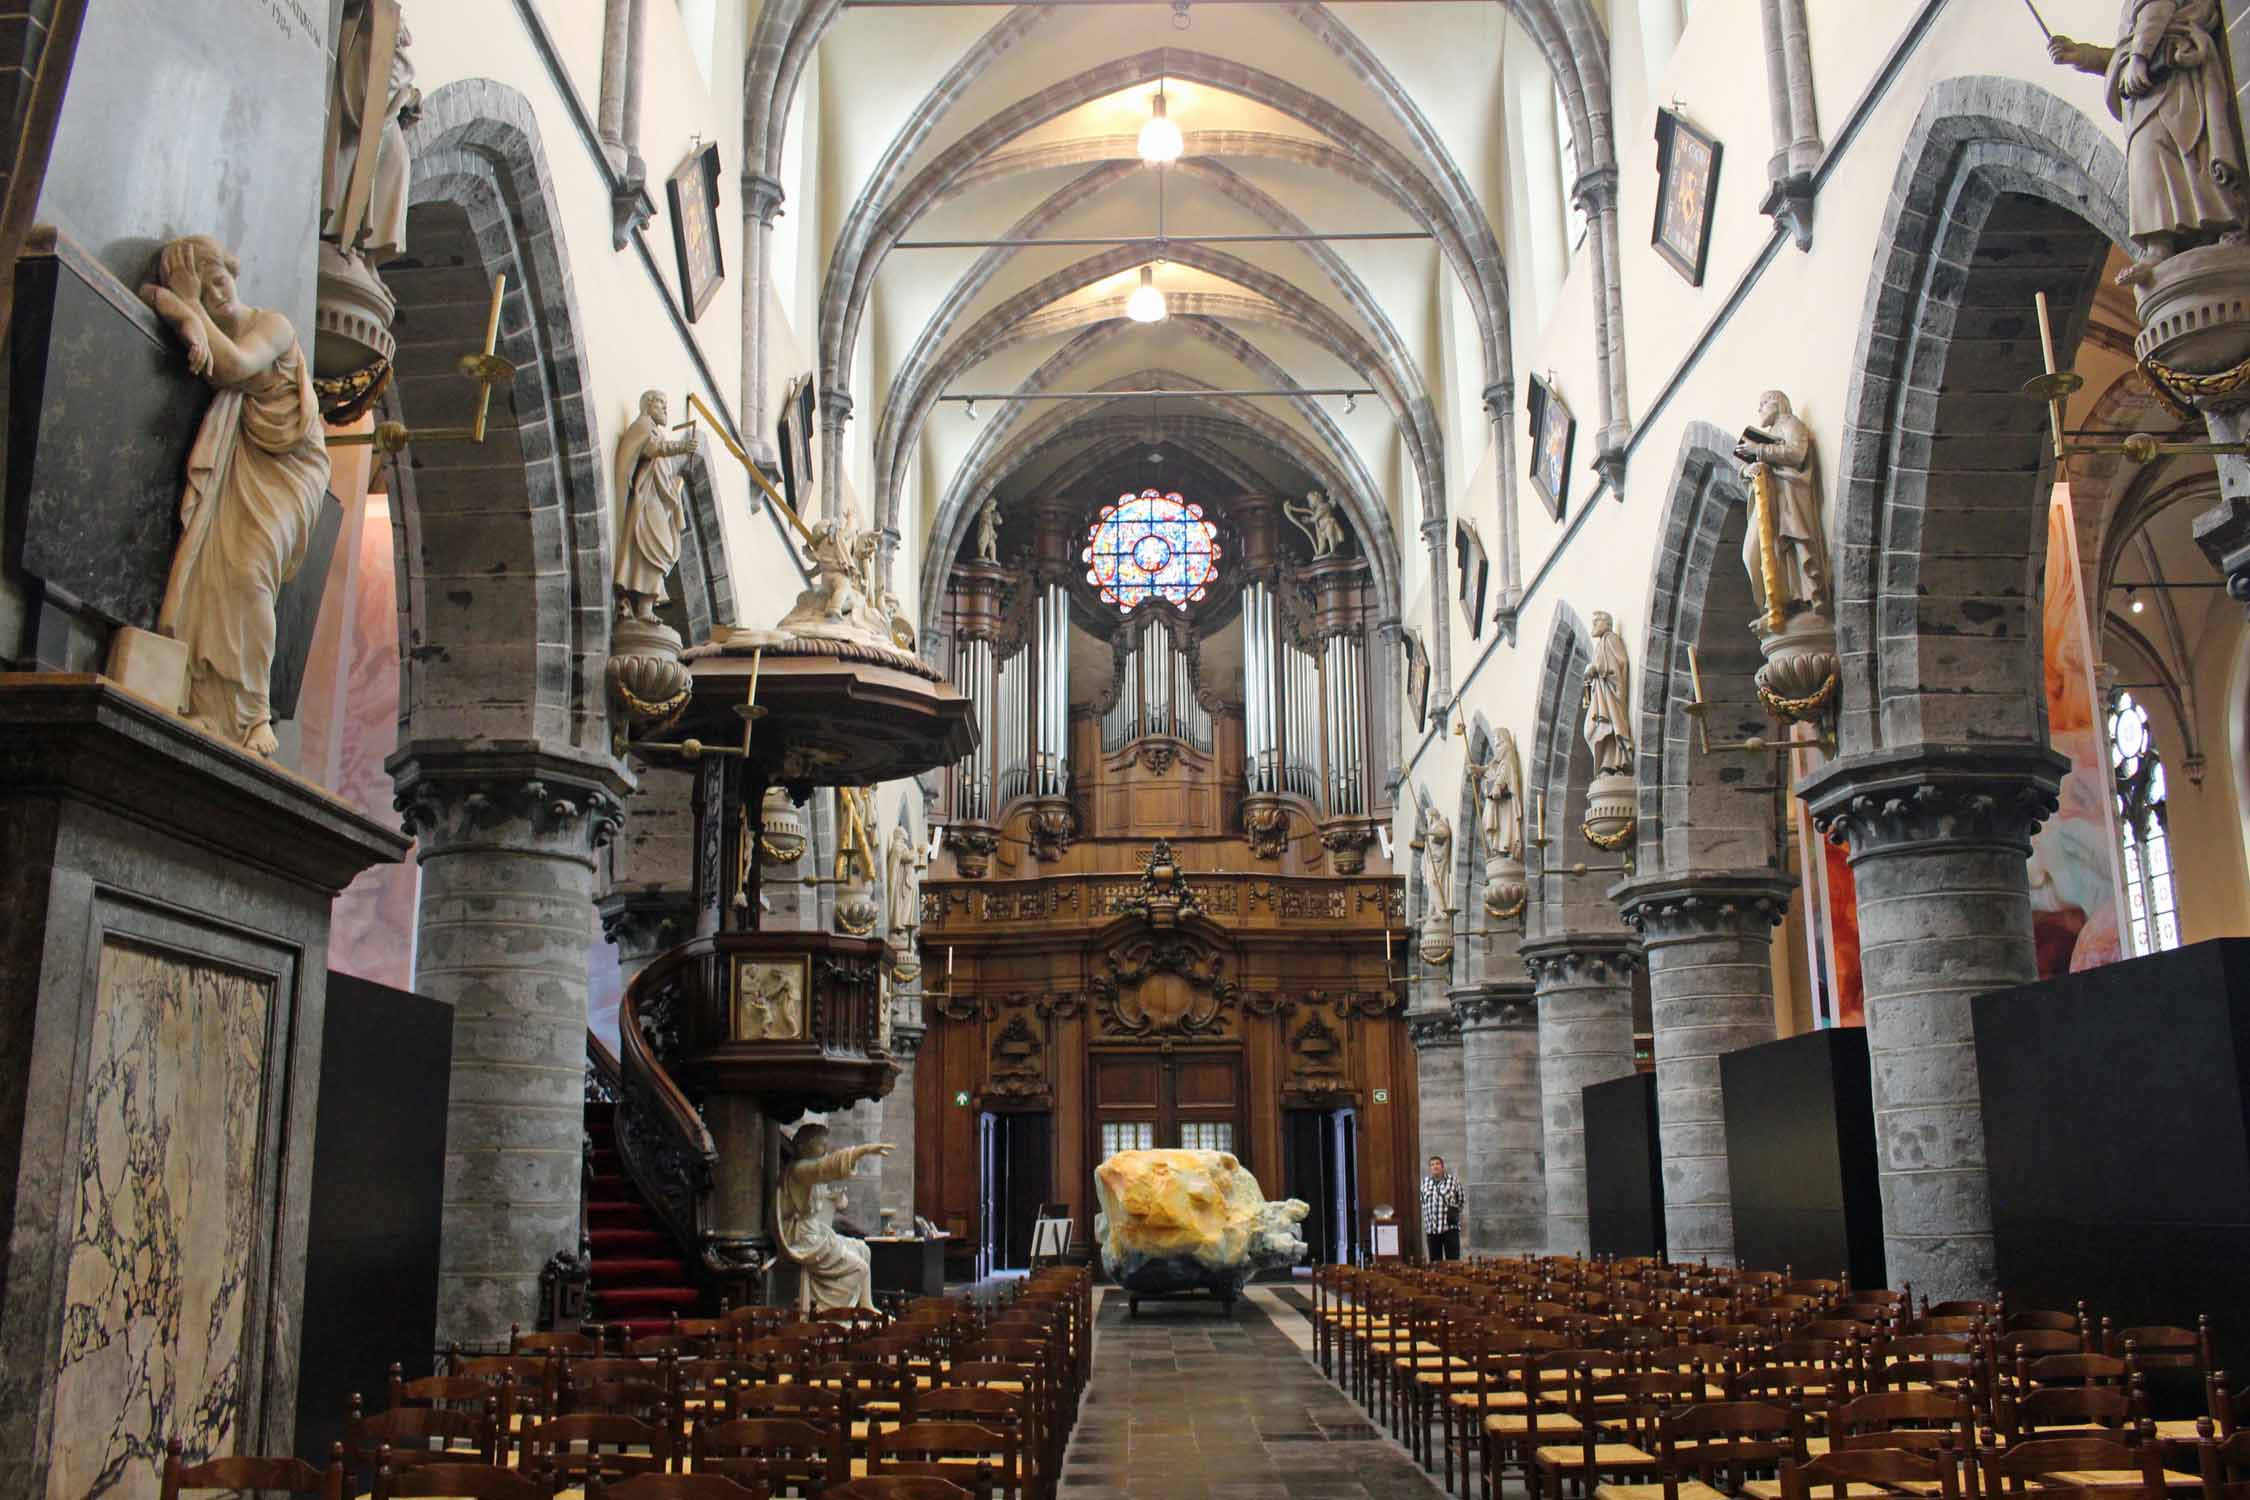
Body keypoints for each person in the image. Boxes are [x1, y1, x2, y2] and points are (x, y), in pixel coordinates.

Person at [142, 235, 330, 756]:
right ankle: (210, 702)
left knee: (250, 573)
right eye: (206, 287)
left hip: (291, 467)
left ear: (234, 276)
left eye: (221, 281)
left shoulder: (272, 325)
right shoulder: (205, 318)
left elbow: (230, 367)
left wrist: (190, 304)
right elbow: (147, 293)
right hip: (245, 452)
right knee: (214, 572)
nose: (218, 296)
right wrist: (181, 309)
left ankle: (253, 715)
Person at [777, 1125, 893, 1310]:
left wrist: (832, 1199)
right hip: (804, 1238)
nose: (825, 1149)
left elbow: (815, 1193)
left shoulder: (806, 1170)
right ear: (804, 1146)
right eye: (821, 1145)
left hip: (816, 1231)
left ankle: (866, 1305)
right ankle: (828, 1313)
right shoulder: (800, 1169)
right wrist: (862, 1151)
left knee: (863, 1249)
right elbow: (825, 1168)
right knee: (859, 1268)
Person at [1420, 1155, 1463, 1262]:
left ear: (1442, 1167)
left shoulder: (1453, 1181)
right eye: (1432, 1164)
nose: (1435, 1166)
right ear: (1430, 1168)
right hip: (1432, 1230)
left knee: (1453, 1262)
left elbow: (1461, 1200)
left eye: (1437, 1164)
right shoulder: (1425, 1183)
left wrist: (1451, 1213)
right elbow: (1423, 1201)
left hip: (1449, 1228)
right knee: (1435, 1263)